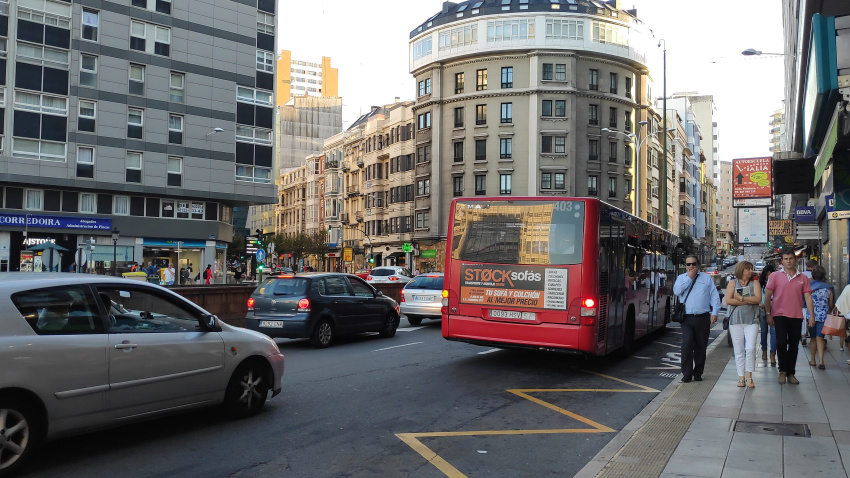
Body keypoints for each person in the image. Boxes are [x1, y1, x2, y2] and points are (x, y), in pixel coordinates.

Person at [764, 249, 815, 385]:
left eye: (791, 258)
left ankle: (791, 372)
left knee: (793, 345)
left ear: (795, 260)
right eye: (785, 259)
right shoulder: (774, 276)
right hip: (779, 315)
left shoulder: (803, 277)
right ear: (782, 261)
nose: (788, 261)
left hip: (796, 315)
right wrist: (768, 314)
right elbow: (768, 295)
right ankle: (782, 371)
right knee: (781, 342)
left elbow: (808, 297)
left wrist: (811, 315)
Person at [673, 255, 721, 383]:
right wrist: (689, 278)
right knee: (687, 343)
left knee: (701, 345)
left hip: (703, 317)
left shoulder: (706, 278)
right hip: (687, 318)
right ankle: (687, 374)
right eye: (688, 264)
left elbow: (714, 295)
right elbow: (677, 291)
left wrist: (715, 312)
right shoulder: (681, 278)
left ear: (698, 265)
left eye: (693, 264)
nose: (691, 267)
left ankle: (698, 372)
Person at [725, 261, 762, 388]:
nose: (750, 271)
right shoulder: (732, 283)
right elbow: (729, 300)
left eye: (751, 269)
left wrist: (740, 298)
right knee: (738, 349)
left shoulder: (755, 283)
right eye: (747, 269)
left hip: (752, 320)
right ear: (741, 270)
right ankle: (741, 377)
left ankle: (749, 376)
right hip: (735, 320)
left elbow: (758, 299)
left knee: (750, 348)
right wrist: (748, 301)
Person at [807, 266, 834, 369]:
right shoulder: (829, 288)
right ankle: (821, 361)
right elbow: (831, 304)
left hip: (811, 316)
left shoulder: (808, 287)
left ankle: (813, 360)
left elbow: (804, 302)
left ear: (813, 276)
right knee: (820, 338)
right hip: (823, 316)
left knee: (813, 338)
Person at [759, 263, 777, 366]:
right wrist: (760, 303)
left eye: (770, 274)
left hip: (774, 310)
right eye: (767, 275)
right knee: (763, 332)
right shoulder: (761, 284)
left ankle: (772, 354)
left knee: (774, 333)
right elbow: (758, 296)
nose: (768, 277)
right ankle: (764, 351)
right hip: (763, 310)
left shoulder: (777, 283)